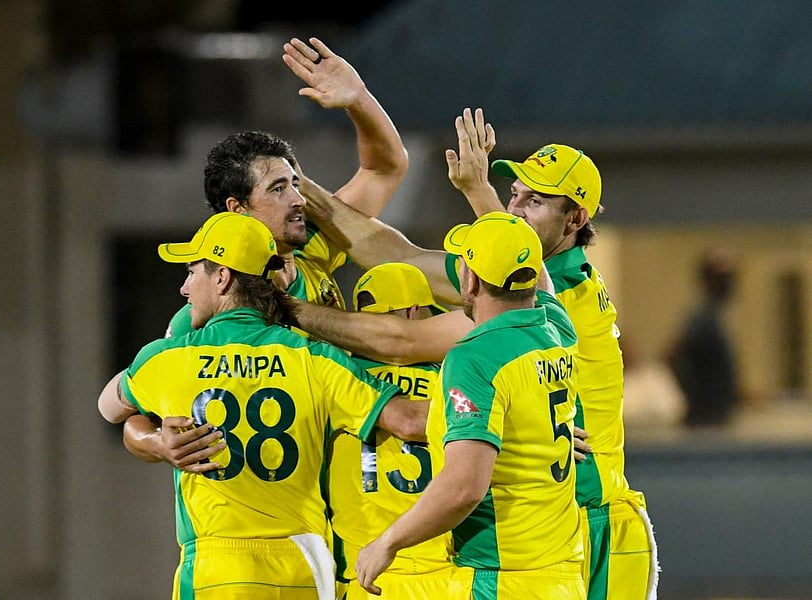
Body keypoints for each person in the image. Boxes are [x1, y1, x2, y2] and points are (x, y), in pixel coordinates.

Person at [294, 108, 659, 599]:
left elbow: (401, 341)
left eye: (536, 201)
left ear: (575, 219)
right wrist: (304, 189)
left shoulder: (550, 299)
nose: (517, 209)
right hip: (557, 532)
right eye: (515, 195)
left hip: (593, 525)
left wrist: (284, 310)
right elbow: (397, 255)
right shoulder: (540, 298)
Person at [97, 212, 428, 600]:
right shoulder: (316, 358)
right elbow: (408, 421)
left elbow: (109, 408)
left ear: (222, 277)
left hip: (221, 566)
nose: (185, 288)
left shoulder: (167, 358)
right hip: (308, 565)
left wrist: (155, 441)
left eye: (192, 272)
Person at [121, 36, 409, 469]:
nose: (298, 198)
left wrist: (359, 101)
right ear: (238, 210)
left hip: (351, 495)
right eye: (278, 189)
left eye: (295, 183)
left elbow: (386, 168)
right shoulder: (205, 315)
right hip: (283, 503)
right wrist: (157, 443)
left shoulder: (314, 247)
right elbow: (131, 415)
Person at [355, 212, 585, 598]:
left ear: (471, 279)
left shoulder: (474, 359)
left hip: (503, 577)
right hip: (561, 574)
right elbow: (542, 282)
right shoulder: (557, 330)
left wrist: (388, 542)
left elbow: (464, 487)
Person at [330, 263, 453, 598]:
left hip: (364, 574)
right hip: (443, 573)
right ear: (414, 313)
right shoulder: (453, 378)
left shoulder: (336, 376)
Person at [667, 245, 739, 426]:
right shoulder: (703, 319)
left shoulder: (714, 316)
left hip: (716, 416)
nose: (726, 285)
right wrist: (696, 399)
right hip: (705, 419)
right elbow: (673, 354)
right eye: (721, 279)